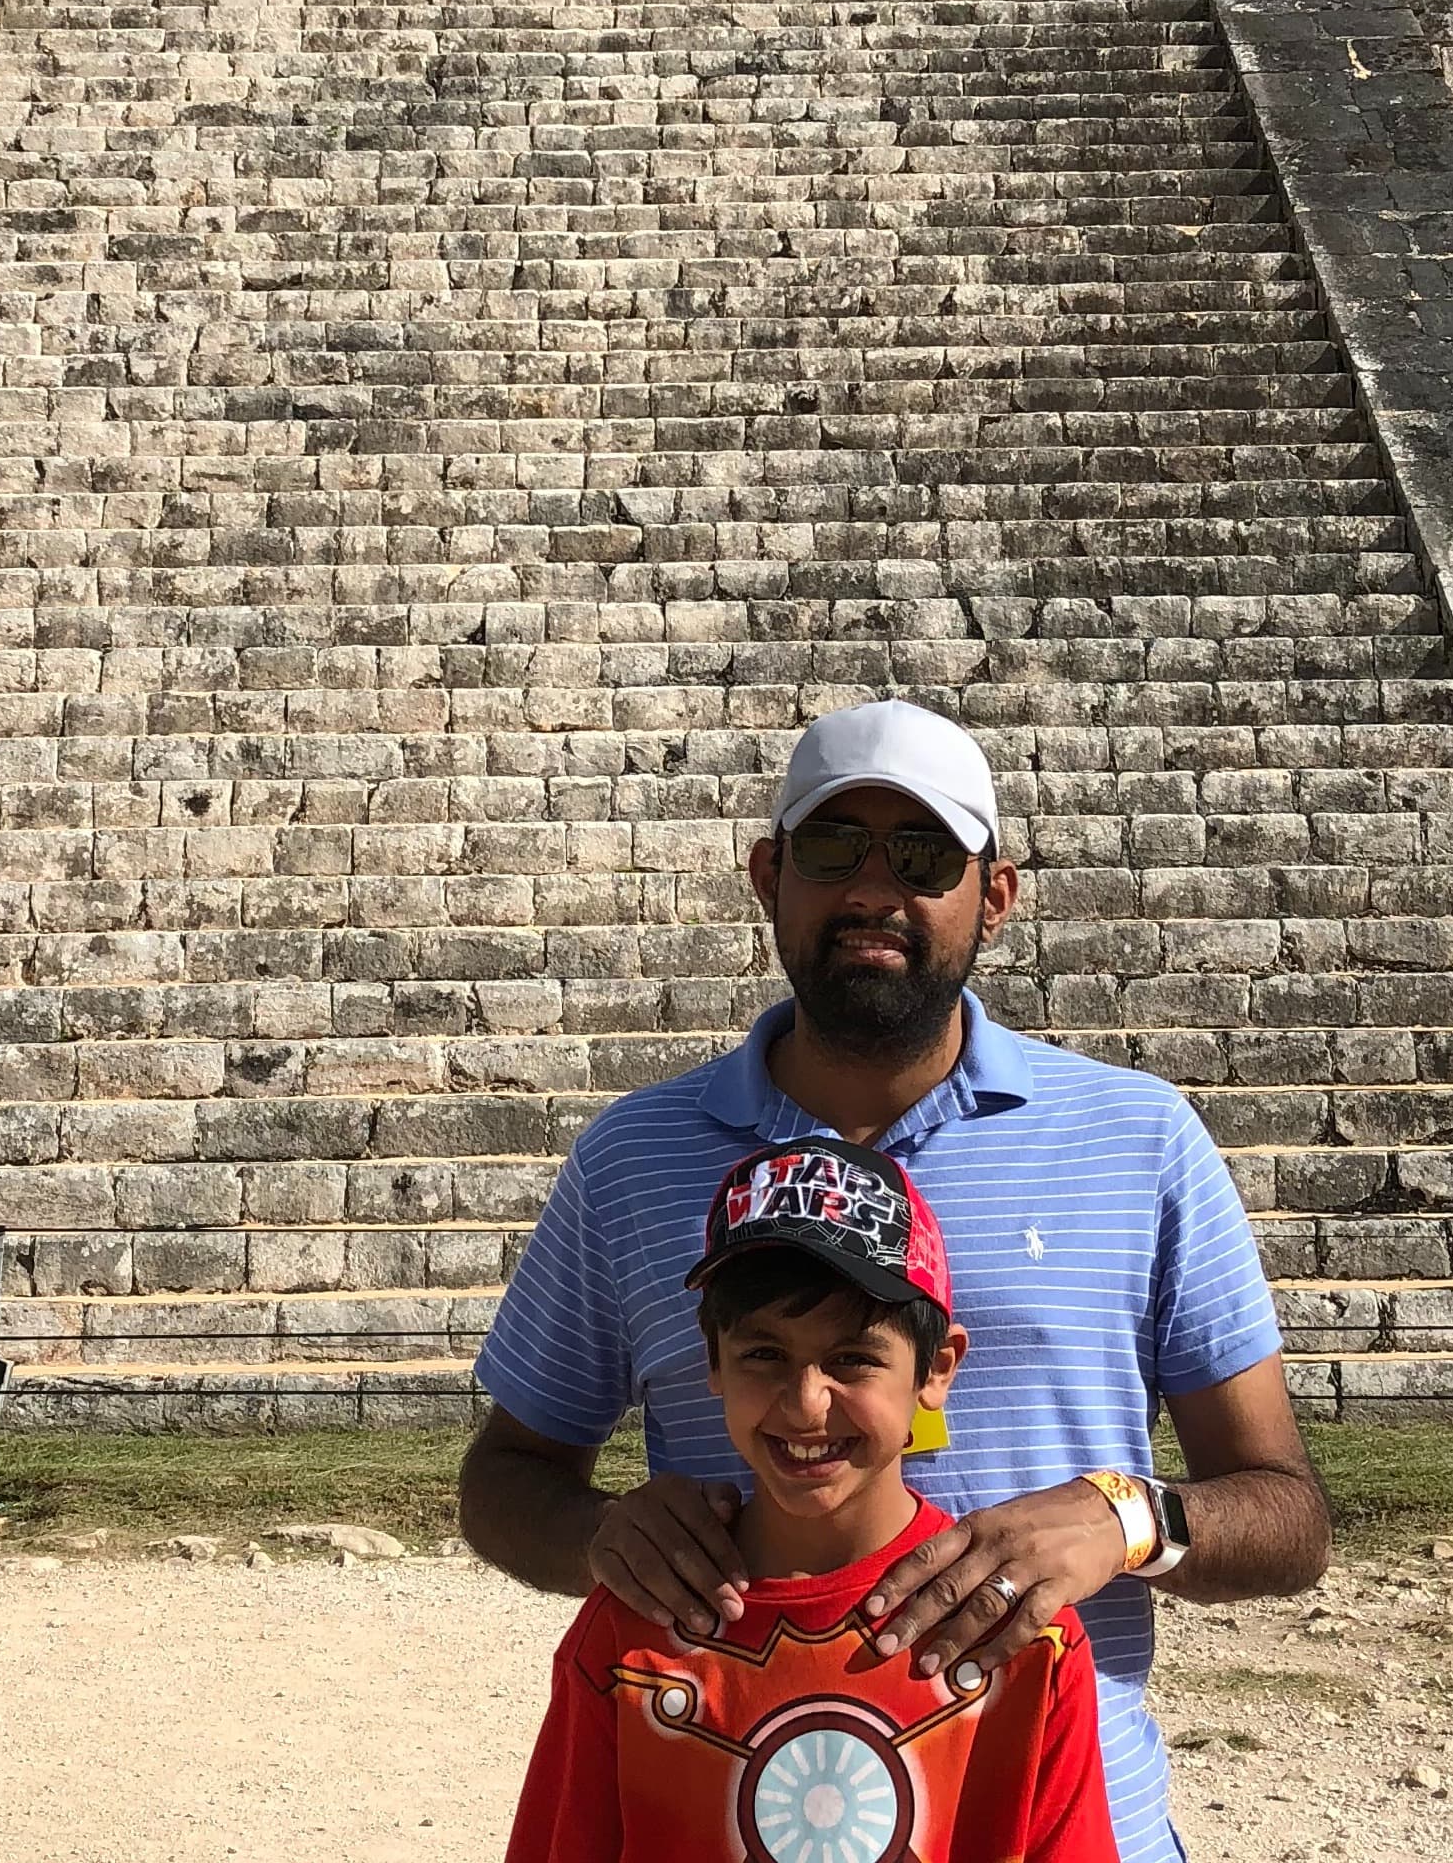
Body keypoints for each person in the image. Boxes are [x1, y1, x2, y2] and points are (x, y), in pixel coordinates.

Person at [461, 698, 1331, 1863]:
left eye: (923, 855)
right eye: (834, 849)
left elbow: (1288, 1513)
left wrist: (1129, 1519)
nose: (875, 890)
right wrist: (609, 1535)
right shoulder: (632, 1160)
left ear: (996, 894)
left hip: (1064, 1823)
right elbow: (507, 1478)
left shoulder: (1139, 1139)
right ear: (769, 875)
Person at [502, 1138, 1118, 1863]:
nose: (805, 1404)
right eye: (764, 1355)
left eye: (853, 1358)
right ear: (712, 1364)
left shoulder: (1021, 1641)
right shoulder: (630, 1634)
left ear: (936, 1368)